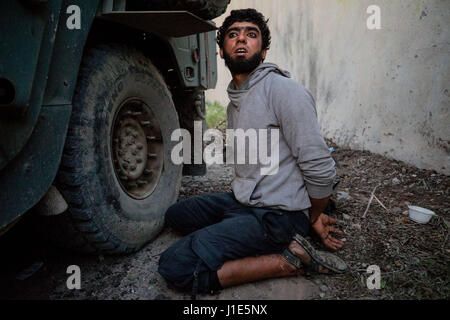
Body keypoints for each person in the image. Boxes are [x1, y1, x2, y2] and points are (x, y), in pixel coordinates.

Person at [158, 8, 347, 298]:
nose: (241, 40)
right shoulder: (237, 100)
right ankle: (241, 232)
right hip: (245, 202)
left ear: (264, 50)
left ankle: (287, 260)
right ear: (221, 51)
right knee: (177, 215)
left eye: (251, 34)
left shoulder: (284, 91)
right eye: (233, 35)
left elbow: (320, 168)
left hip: (277, 215)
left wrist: (312, 217)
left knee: (175, 265)